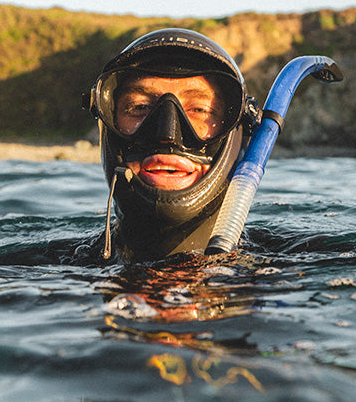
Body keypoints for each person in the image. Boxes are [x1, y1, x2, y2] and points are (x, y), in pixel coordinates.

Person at [86, 28, 257, 261]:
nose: (167, 135)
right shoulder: (39, 271)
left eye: (199, 110)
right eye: (139, 107)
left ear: (237, 132)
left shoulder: (290, 272)